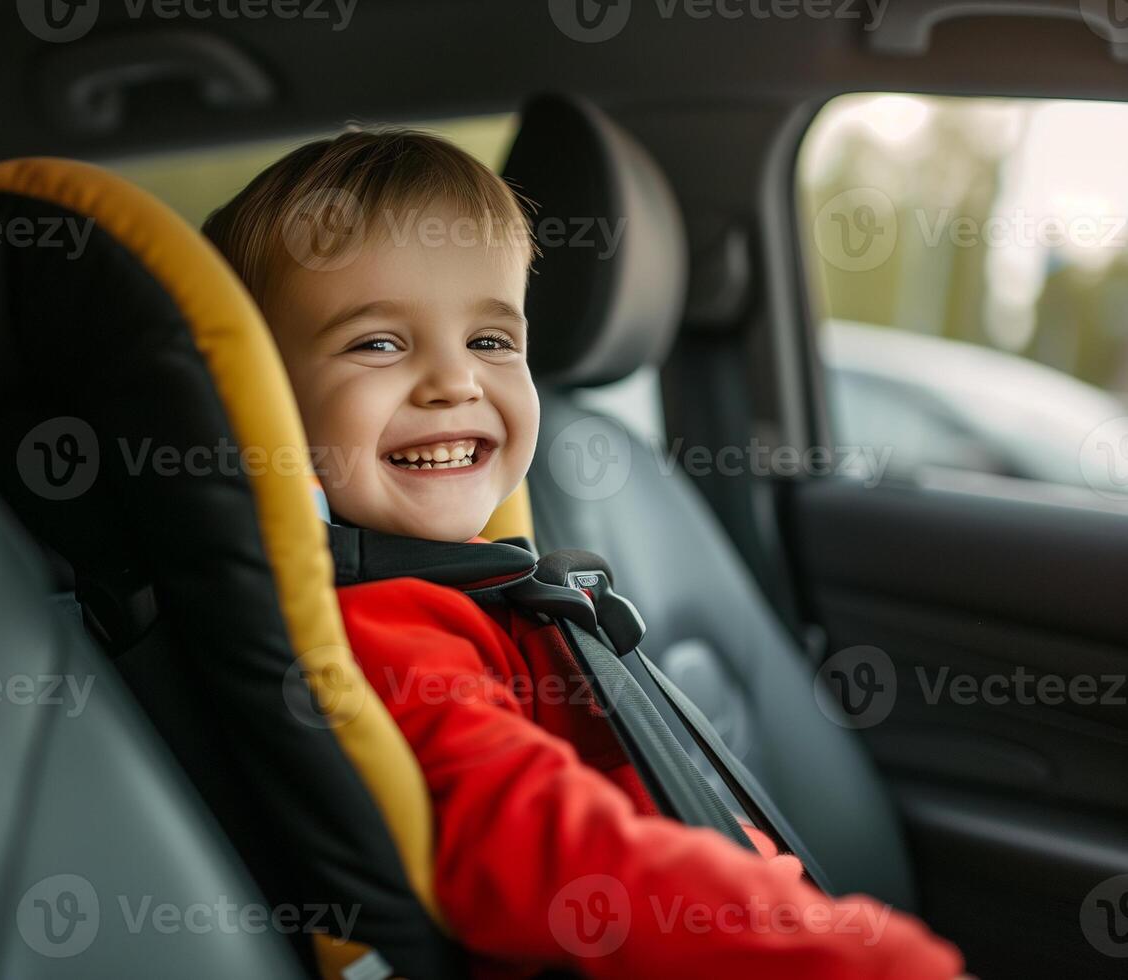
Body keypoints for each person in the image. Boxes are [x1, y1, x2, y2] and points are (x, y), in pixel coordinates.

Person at [203, 128, 967, 979]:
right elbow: (536, 848)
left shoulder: (488, 586)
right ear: (267, 404)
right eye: (378, 343)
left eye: (491, 342)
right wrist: (846, 954)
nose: (453, 383)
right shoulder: (388, 626)